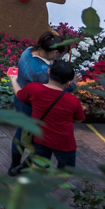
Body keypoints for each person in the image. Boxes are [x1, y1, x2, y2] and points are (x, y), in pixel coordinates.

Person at [14, 59, 85, 171]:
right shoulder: (73, 101)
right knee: (66, 170)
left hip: (40, 138)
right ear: (68, 83)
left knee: (38, 165)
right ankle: (50, 189)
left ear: (49, 72)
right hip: (64, 142)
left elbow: (19, 95)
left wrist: (13, 79)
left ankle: (32, 186)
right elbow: (79, 119)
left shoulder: (33, 88)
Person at [9, 32, 66, 169]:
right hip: (32, 108)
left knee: (20, 134)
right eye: (62, 54)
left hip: (20, 99)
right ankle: (22, 166)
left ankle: (14, 165)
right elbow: (52, 91)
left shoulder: (28, 51)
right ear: (55, 53)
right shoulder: (42, 72)